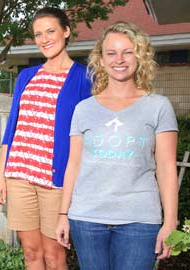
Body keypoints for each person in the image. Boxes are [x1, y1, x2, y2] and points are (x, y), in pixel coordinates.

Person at [55, 21, 179, 270]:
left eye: (127, 51)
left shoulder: (158, 106)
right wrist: (62, 214)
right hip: (87, 219)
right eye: (111, 53)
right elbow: (74, 164)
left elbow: (166, 168)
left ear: (139, 56)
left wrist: (170, 221)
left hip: (139, 220)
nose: (119, 59)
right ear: (101, 59)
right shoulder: (84, 109)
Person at [0, 7, 92, 270]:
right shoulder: (27, 76)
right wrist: (1, 175)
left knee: (55, 256)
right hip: (20, 176)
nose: (44, 39)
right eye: (38, 34)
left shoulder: (84, 78)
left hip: (55, 182)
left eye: (50, 31)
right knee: (31, 253)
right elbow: (12, 127)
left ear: (66, 31)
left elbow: (89, 133)